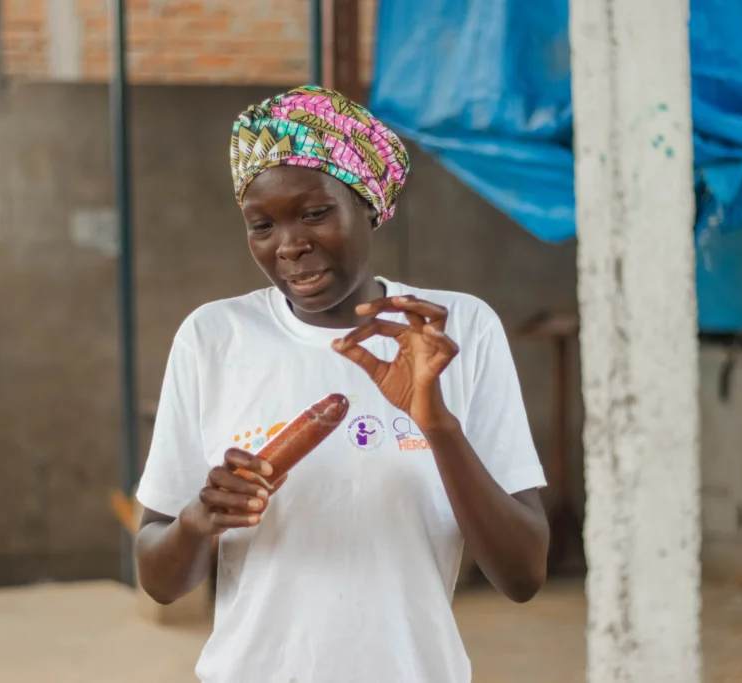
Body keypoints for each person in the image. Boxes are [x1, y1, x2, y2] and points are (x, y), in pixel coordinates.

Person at [134, 85, 550, 683]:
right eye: (262, 225)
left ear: (369, 202)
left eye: (314, 213)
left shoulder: (457, 331)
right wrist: (199, 520)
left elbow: (522, 575)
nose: (289, 245)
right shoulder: (214, 337)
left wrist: (436, 425)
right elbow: (158, 579)